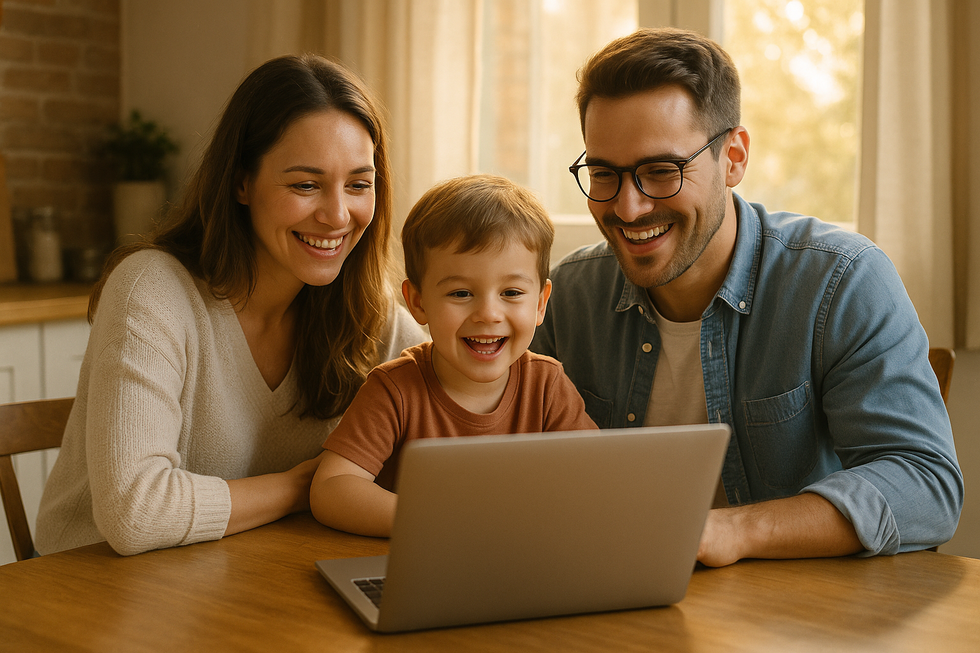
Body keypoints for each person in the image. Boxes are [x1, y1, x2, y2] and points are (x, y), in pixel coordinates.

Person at [531, 28, 963, 567]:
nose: (629, 207)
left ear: (733, 157)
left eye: (661, 172)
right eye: (603, 174)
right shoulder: (567, 295)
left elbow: (926, 484)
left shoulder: (842, 281)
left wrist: (733, 531)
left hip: (795, 623)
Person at [35, 54, 427, 556]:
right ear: (242, 182)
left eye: (358, 185)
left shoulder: (366, 311)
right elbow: (136, 512)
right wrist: (303, 487)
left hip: (243, 578)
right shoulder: (152, 291)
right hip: (87, 594)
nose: (337, 215)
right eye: (305, 185)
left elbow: (456, 415)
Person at [310, 174, 597, 537]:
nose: (489, 314)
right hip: (418, 568)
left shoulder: (548, 385)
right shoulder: (393, 389)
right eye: (461, 294)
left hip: (521, 567)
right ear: (417, 303)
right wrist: (442, 521)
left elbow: (595, 483)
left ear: (540, 304)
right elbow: (331, 489)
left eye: (511, 292)